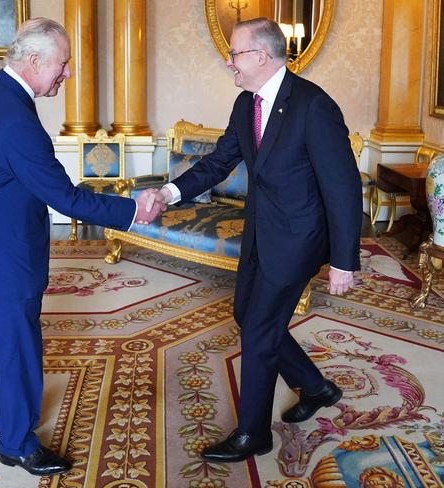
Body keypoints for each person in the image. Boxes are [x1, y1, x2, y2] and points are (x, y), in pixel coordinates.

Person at [0, 18, 163, 476]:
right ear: (35, 60)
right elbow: (66, 197)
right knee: (19, 345)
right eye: (62, 65)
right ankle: (18, 443)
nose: (66, 75)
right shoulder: (16, 121)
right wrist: (133, 211)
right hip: (6, 256)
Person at [145, 17, 362, 462]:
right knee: (247, 313)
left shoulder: (313, 105)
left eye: (235, 54)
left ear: (261, 56)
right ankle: (317, 387)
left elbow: (343, 187)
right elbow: (219, 161)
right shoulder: (247, 105)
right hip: (260, 231)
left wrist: (344, 260)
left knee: (260, 331)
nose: (229, 63)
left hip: (300, 238)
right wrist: (169, 192)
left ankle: (253, 433)